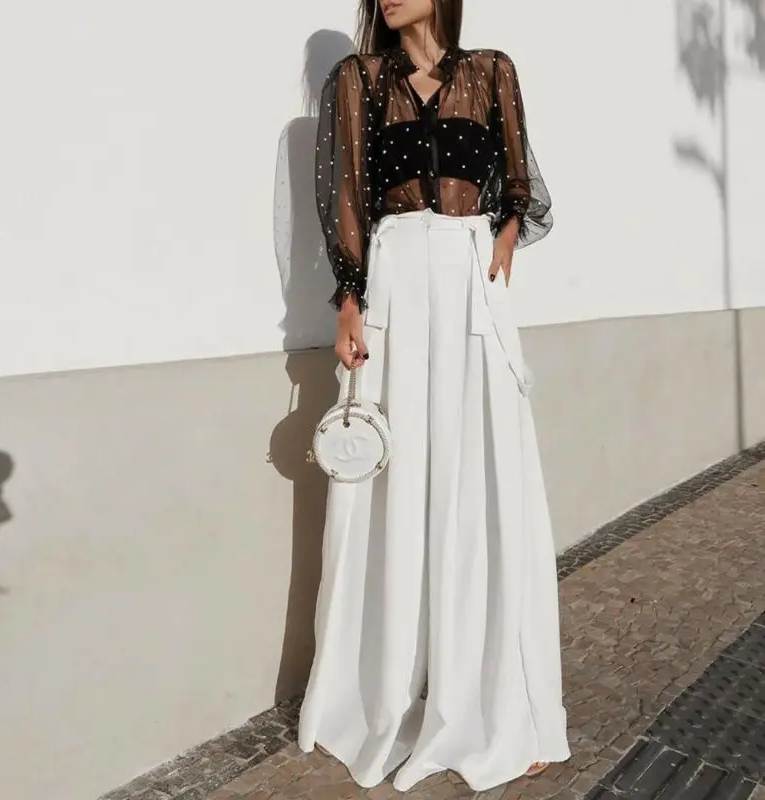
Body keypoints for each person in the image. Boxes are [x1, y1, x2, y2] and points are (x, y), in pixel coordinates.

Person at [298, 0, 570, 791]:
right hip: (392, 282)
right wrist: (350, 301)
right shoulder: (357, 80)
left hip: (468, 280)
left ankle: (493, 701)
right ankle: (377, 693)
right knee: (388, 482)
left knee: (481, 478)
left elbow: (518, 182)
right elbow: (346, 196)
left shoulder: (491, 72)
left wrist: (502, 241)